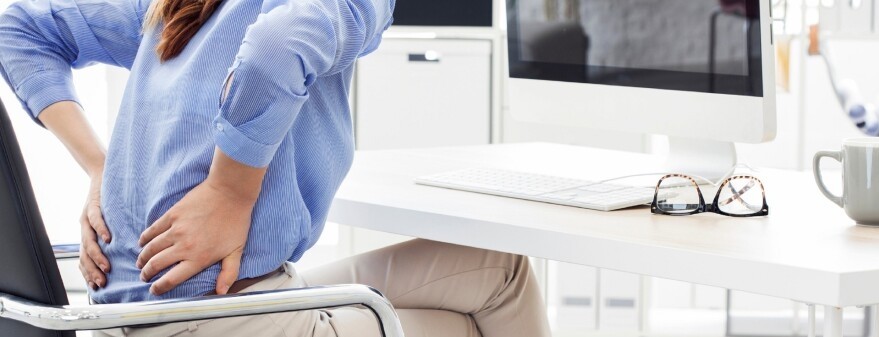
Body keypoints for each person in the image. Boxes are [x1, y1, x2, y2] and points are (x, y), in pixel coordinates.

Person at [0, 0, 552, 336]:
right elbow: (278, 44)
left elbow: (18, 28)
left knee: (498, 267)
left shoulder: (181, 7)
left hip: (130, 317)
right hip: (222, 319)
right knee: (477, 323)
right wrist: (229, 192)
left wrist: (103, 168)